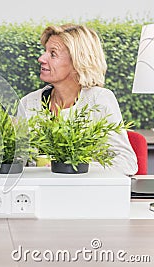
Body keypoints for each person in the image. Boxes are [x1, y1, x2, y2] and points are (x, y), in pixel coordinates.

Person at [19, 24, 138, 176]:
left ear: (77, 62)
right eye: (45, 51)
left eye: (53, 54)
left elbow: (126, 163)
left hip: (86, 195)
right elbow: (15, 163)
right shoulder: (28, 103)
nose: (41, 58)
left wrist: (72, 167)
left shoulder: (98, 100)